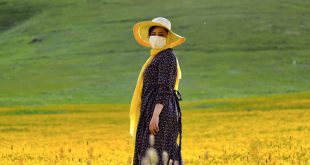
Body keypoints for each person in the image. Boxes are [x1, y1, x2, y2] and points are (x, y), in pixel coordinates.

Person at [129, 17, 186, 165]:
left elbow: (165, 88)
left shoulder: (166, 56)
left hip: (160, 111)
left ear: (167, 38)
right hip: (152, 109)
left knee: (157, 156)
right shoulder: (156, 57)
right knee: (153, 155)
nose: (157, 37)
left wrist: (155, 115)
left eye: (162, 34)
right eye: (154, 33)